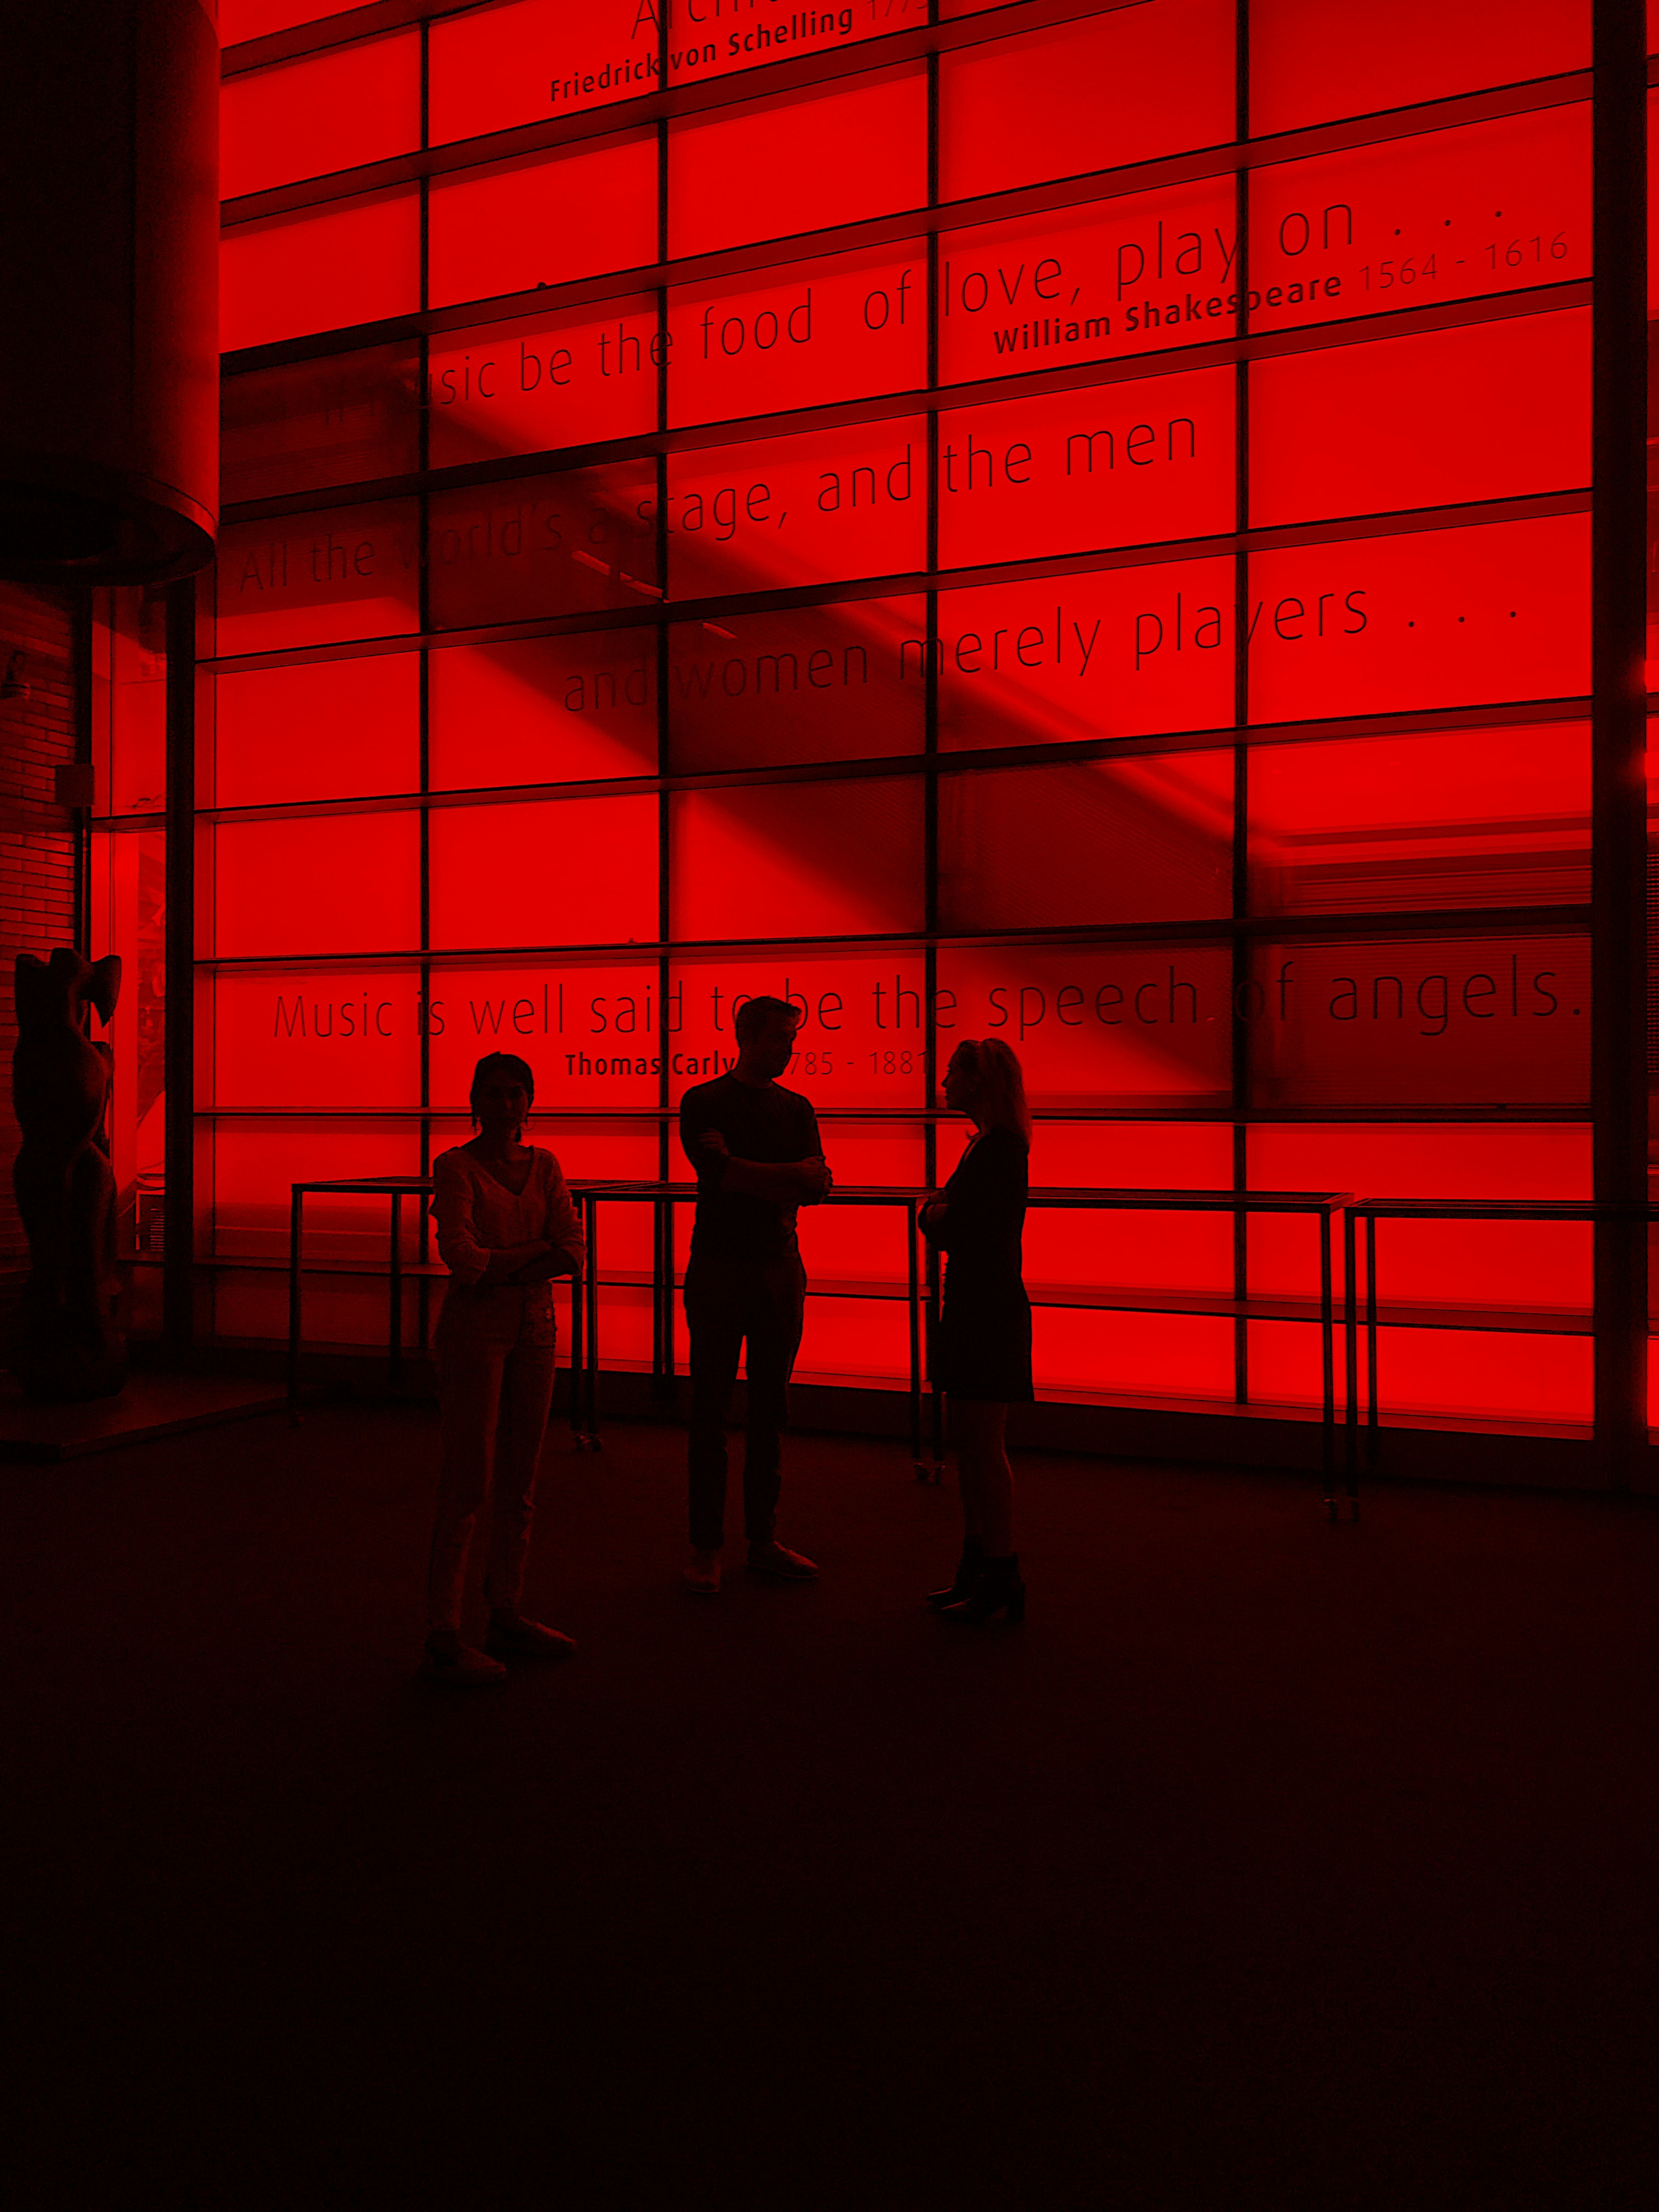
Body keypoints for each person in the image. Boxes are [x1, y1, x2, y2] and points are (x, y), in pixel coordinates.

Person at [423, 1052, 586, 1685]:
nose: (504, 1104)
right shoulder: (454, 1166)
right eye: (492, 1093)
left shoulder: (545, 1164)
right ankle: (443, 1629)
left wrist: (507, 1263)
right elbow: (461, 1257)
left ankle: (504, 1609)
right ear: (475, 1100)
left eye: (514, 1092)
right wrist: (534, 1257)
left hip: (534, 1325)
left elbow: (572, 1250)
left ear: (530, 1101)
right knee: (469, 1477)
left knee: (521, 1478)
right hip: (478, 1327)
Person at [679, 995, 833, 1595]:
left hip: (771, 1267)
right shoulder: (706, 1101)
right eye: (778, 1038)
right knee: (713, 1408)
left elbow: (815, 1186)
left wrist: (748, 1171)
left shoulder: (789, 1107)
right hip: (730, 1265)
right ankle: (713, 1543)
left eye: (790, 1038)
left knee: (770, 1406)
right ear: (746, 1037)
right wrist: (786, 1176)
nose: (788, 1048)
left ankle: (749, 1541)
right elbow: (731, 1178)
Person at [918, 1039, 1033, 1624]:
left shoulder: (995, 1150)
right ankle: (982, 1566)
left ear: (975, 1083)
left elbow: (954, 1224)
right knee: (971, 1441)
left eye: (951, 1075)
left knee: (982, 1444)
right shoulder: (994, 1146)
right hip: (981, 1306)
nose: (943, 1085)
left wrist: (932, 1212)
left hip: (983, 1309)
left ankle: (997, 1567)